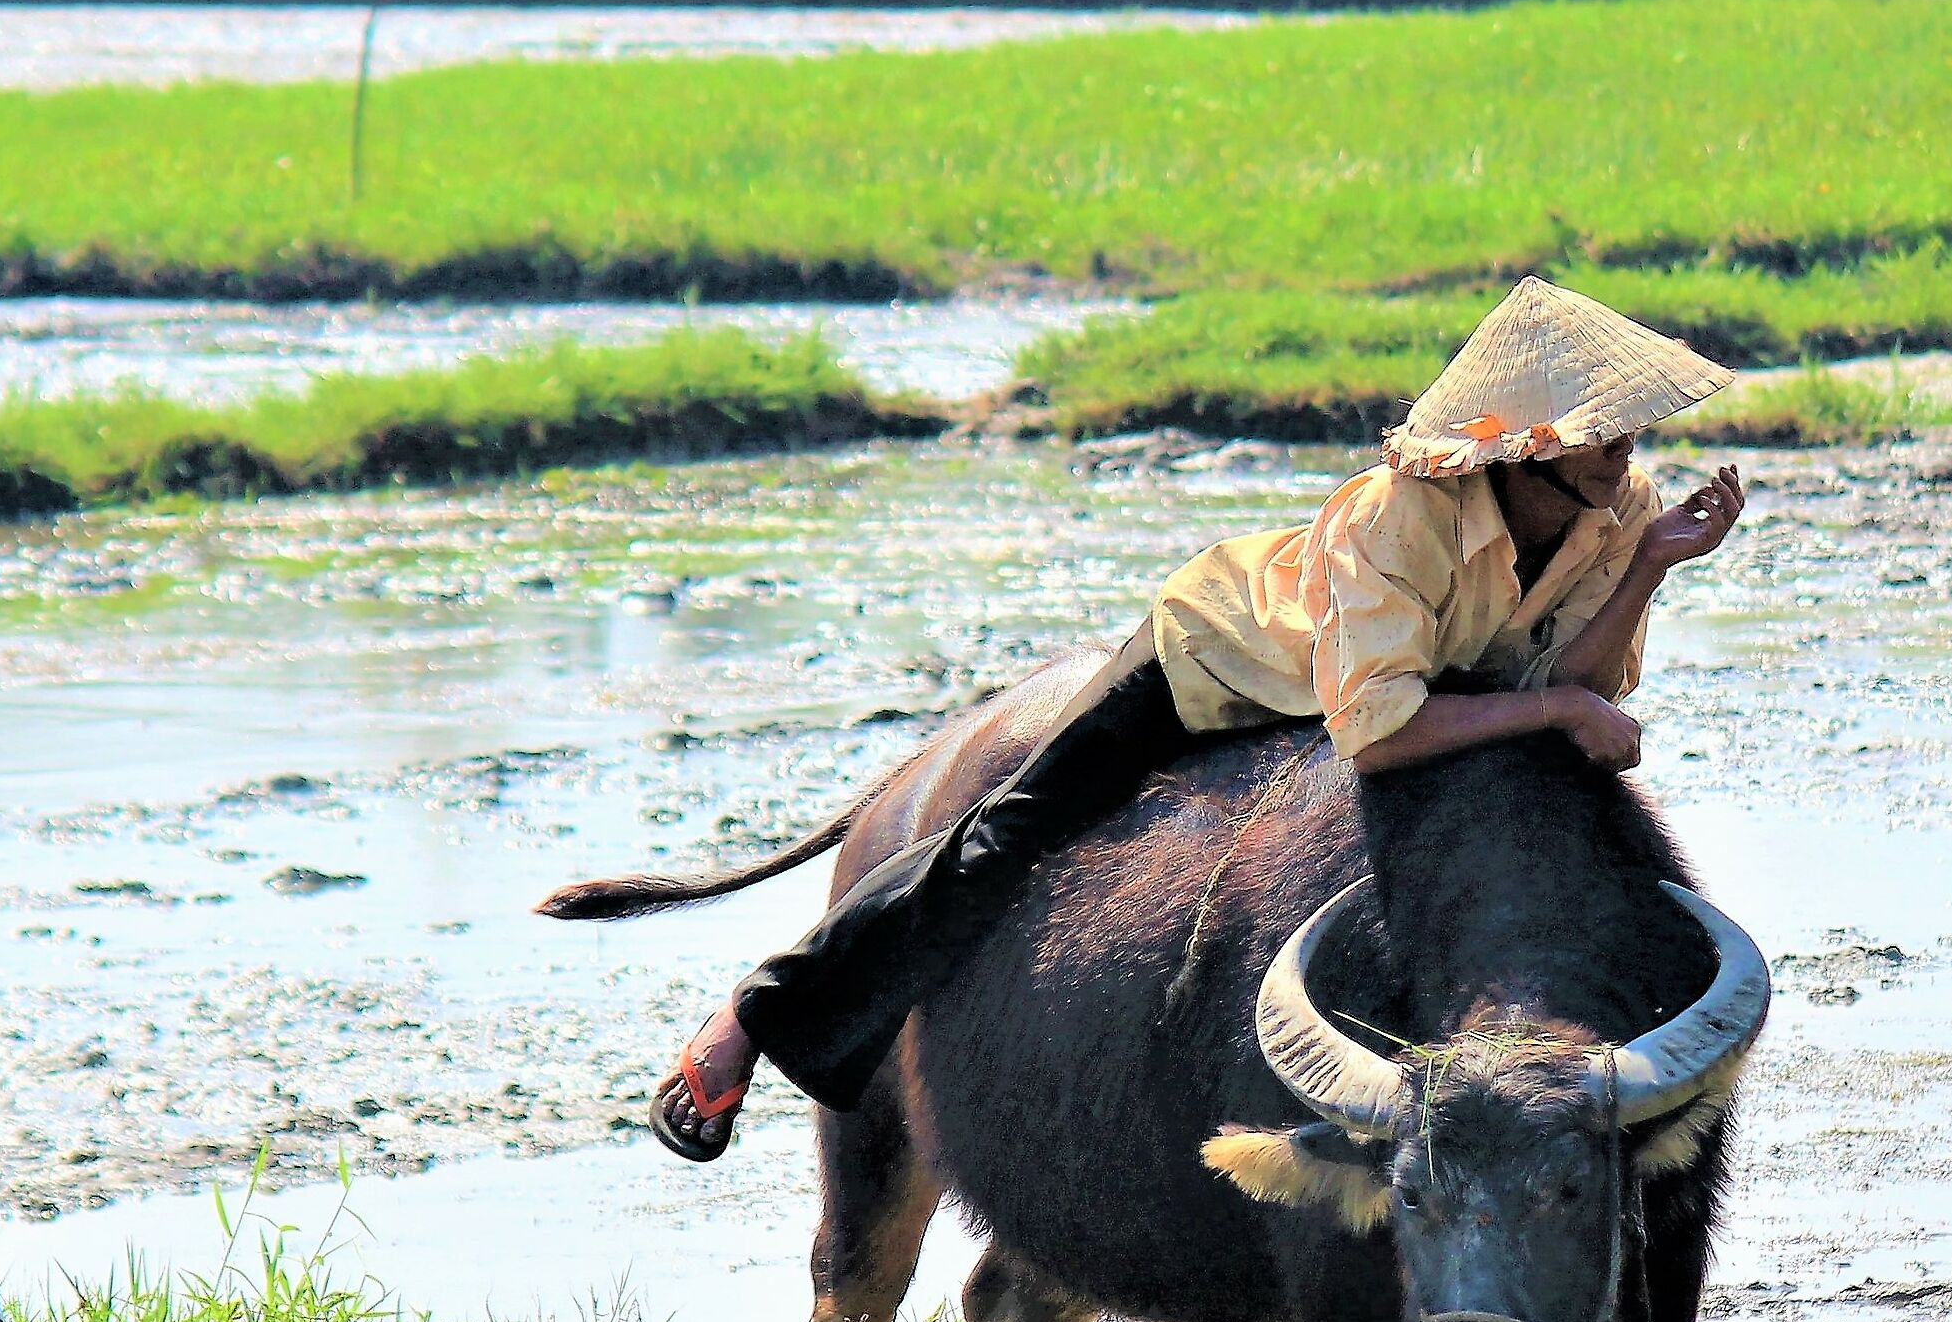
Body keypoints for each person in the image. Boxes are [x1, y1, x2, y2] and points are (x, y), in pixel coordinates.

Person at [653, 276, 1748, 1159]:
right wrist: (1552, 704)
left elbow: (1589, 689)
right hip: (1219, 661)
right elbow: (1381, 731)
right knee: (1010, 837)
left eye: (1631, 428)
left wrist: (1651, 568)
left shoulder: (1622, 514)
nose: (1630, 448)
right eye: (1606, 428)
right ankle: (757, 1015)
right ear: (1529, 443)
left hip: (1408, 693)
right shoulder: (1398, 520)